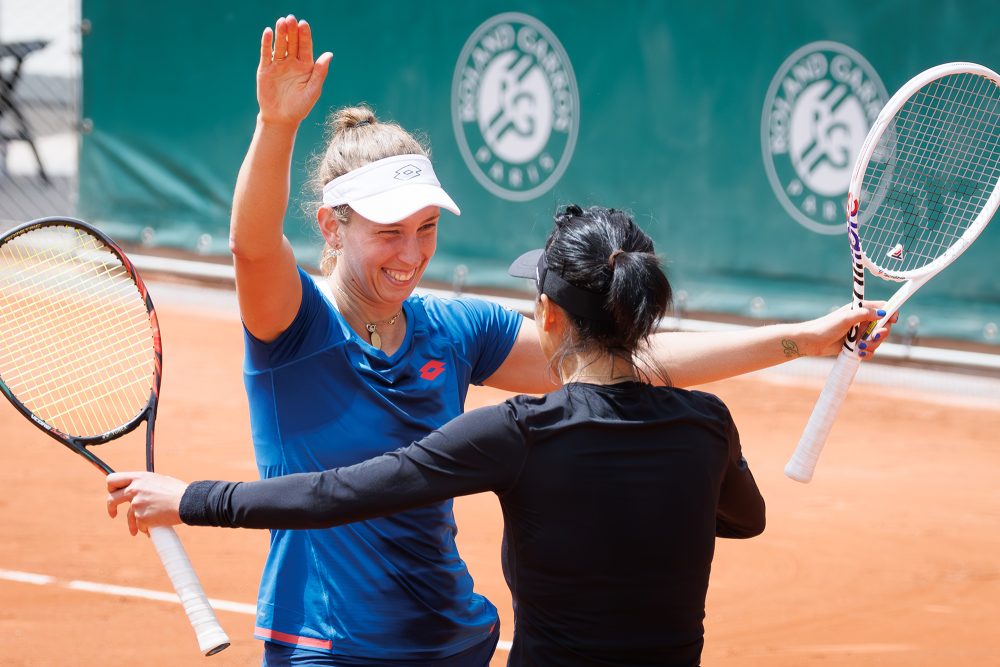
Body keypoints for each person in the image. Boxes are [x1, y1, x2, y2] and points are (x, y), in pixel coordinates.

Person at [136, 13, 894, 666]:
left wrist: (799, 339)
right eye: (389, 233)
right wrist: (276, 127)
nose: (411, 254)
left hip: (452, 638)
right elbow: (250, 246)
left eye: (427, 229)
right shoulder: (292, 325)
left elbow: (623, 360)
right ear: (333, 225)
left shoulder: (455, 326)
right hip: (329, 644)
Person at [109, 204, 767, 666]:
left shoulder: (518, 434)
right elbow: (745, 518)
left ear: (548, 316)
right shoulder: (708, 424)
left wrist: (191, 497)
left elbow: (337, 495)